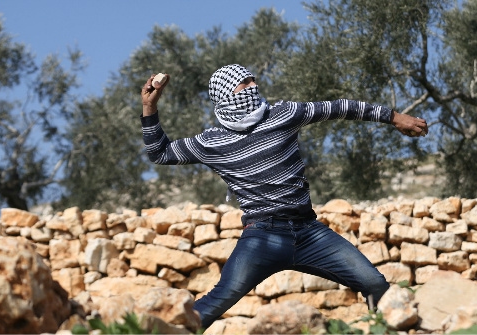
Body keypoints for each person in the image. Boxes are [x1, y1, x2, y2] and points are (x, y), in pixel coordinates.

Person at [140, 64, 428, 329]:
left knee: (375, 285)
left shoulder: (283, 114)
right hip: (261, 238)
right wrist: (149, 106)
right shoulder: (211, 143)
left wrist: (394, 117)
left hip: (309, 232)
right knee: (213, 304)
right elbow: (161, 153)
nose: (253, 86)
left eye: (253, 80)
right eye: (244, 83)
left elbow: (340, 107)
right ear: (226, 95)